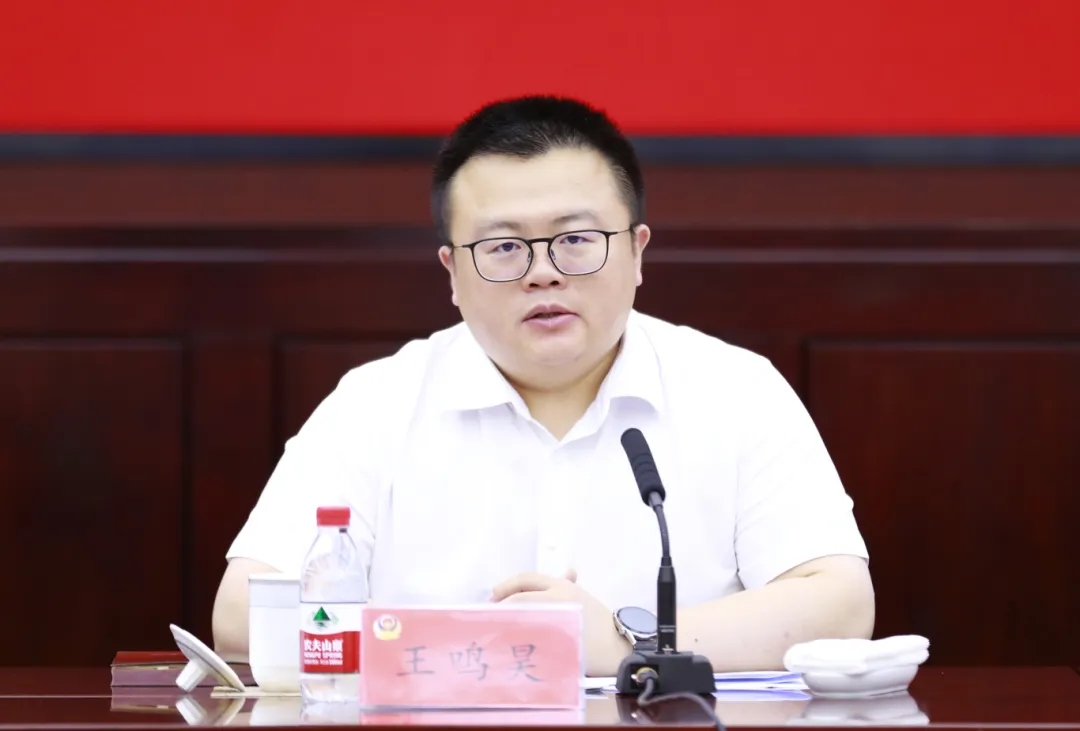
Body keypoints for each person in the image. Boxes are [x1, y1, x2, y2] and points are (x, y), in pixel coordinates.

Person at [212, 95, 874, 676]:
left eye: (575, 239)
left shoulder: (735, 390)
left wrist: (623, 642)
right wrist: (501, 648)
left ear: (637, 251)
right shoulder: (375, 404)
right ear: (452, 272)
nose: (543, 273)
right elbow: (243, 615)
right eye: (504, 247)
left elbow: (840, 605)